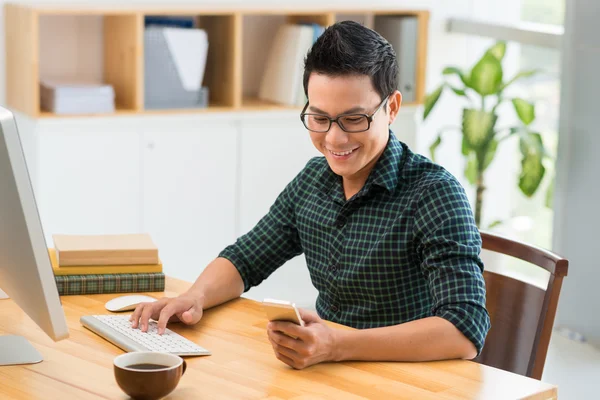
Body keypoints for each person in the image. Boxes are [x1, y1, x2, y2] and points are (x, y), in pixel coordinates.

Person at [131, 21, 490, 370]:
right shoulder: (313, 180)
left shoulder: (435, 194)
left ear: (392, 108)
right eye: (319, 118)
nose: (334, 139)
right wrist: (194, 298)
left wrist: (336, 345)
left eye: (354, 120)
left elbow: (464, 330)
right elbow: (246, 258)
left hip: (410, 382)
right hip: (329, 372)